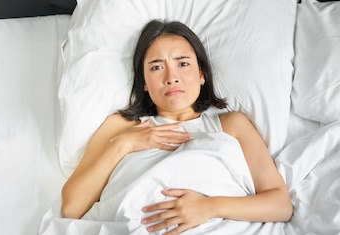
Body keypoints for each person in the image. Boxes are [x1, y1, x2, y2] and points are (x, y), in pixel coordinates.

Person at [59, 19, 292, 234]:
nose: (171, 77)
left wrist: (210, 206)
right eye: (156, 67)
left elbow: (280, 205)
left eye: (183, 63)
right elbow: (71, 208)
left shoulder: (232, 125)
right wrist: (124, 144)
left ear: (201, 74)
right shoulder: (120, 127)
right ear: (145, 83)